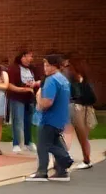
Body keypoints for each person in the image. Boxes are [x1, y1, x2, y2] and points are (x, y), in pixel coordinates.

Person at [26, 54, 74, 182]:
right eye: (44, 65)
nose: (45, 68)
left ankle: (43, 171)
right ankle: (61, 171)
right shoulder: (63, 80)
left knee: (43, 145)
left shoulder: (51, 80)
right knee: (54, 142)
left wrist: (38, 98)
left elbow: (47, 102)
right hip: (60, 118)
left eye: (48, 65)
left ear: (55, 66)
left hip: (49, 118)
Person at [62, 57, 96, 169]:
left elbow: (71, 94)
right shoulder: (83, 77)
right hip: (86, 107)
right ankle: (86, 159)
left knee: (71, 133)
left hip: (76, 107)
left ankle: (84, 160)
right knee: (83, 136)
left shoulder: (72, 78)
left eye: (67, 65)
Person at [6, 50, 40, 154]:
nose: (31, 59)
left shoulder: (32, 69)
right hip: (17, 98)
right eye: (29, 56)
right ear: (22, 57)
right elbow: (9, 85)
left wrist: (34, 84)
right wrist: (23, 89)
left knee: (28, 121)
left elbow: (41, 80)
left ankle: (28, 142)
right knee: (18, 121)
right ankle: (16, 144)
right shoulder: (14, 68)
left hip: (29, 98)